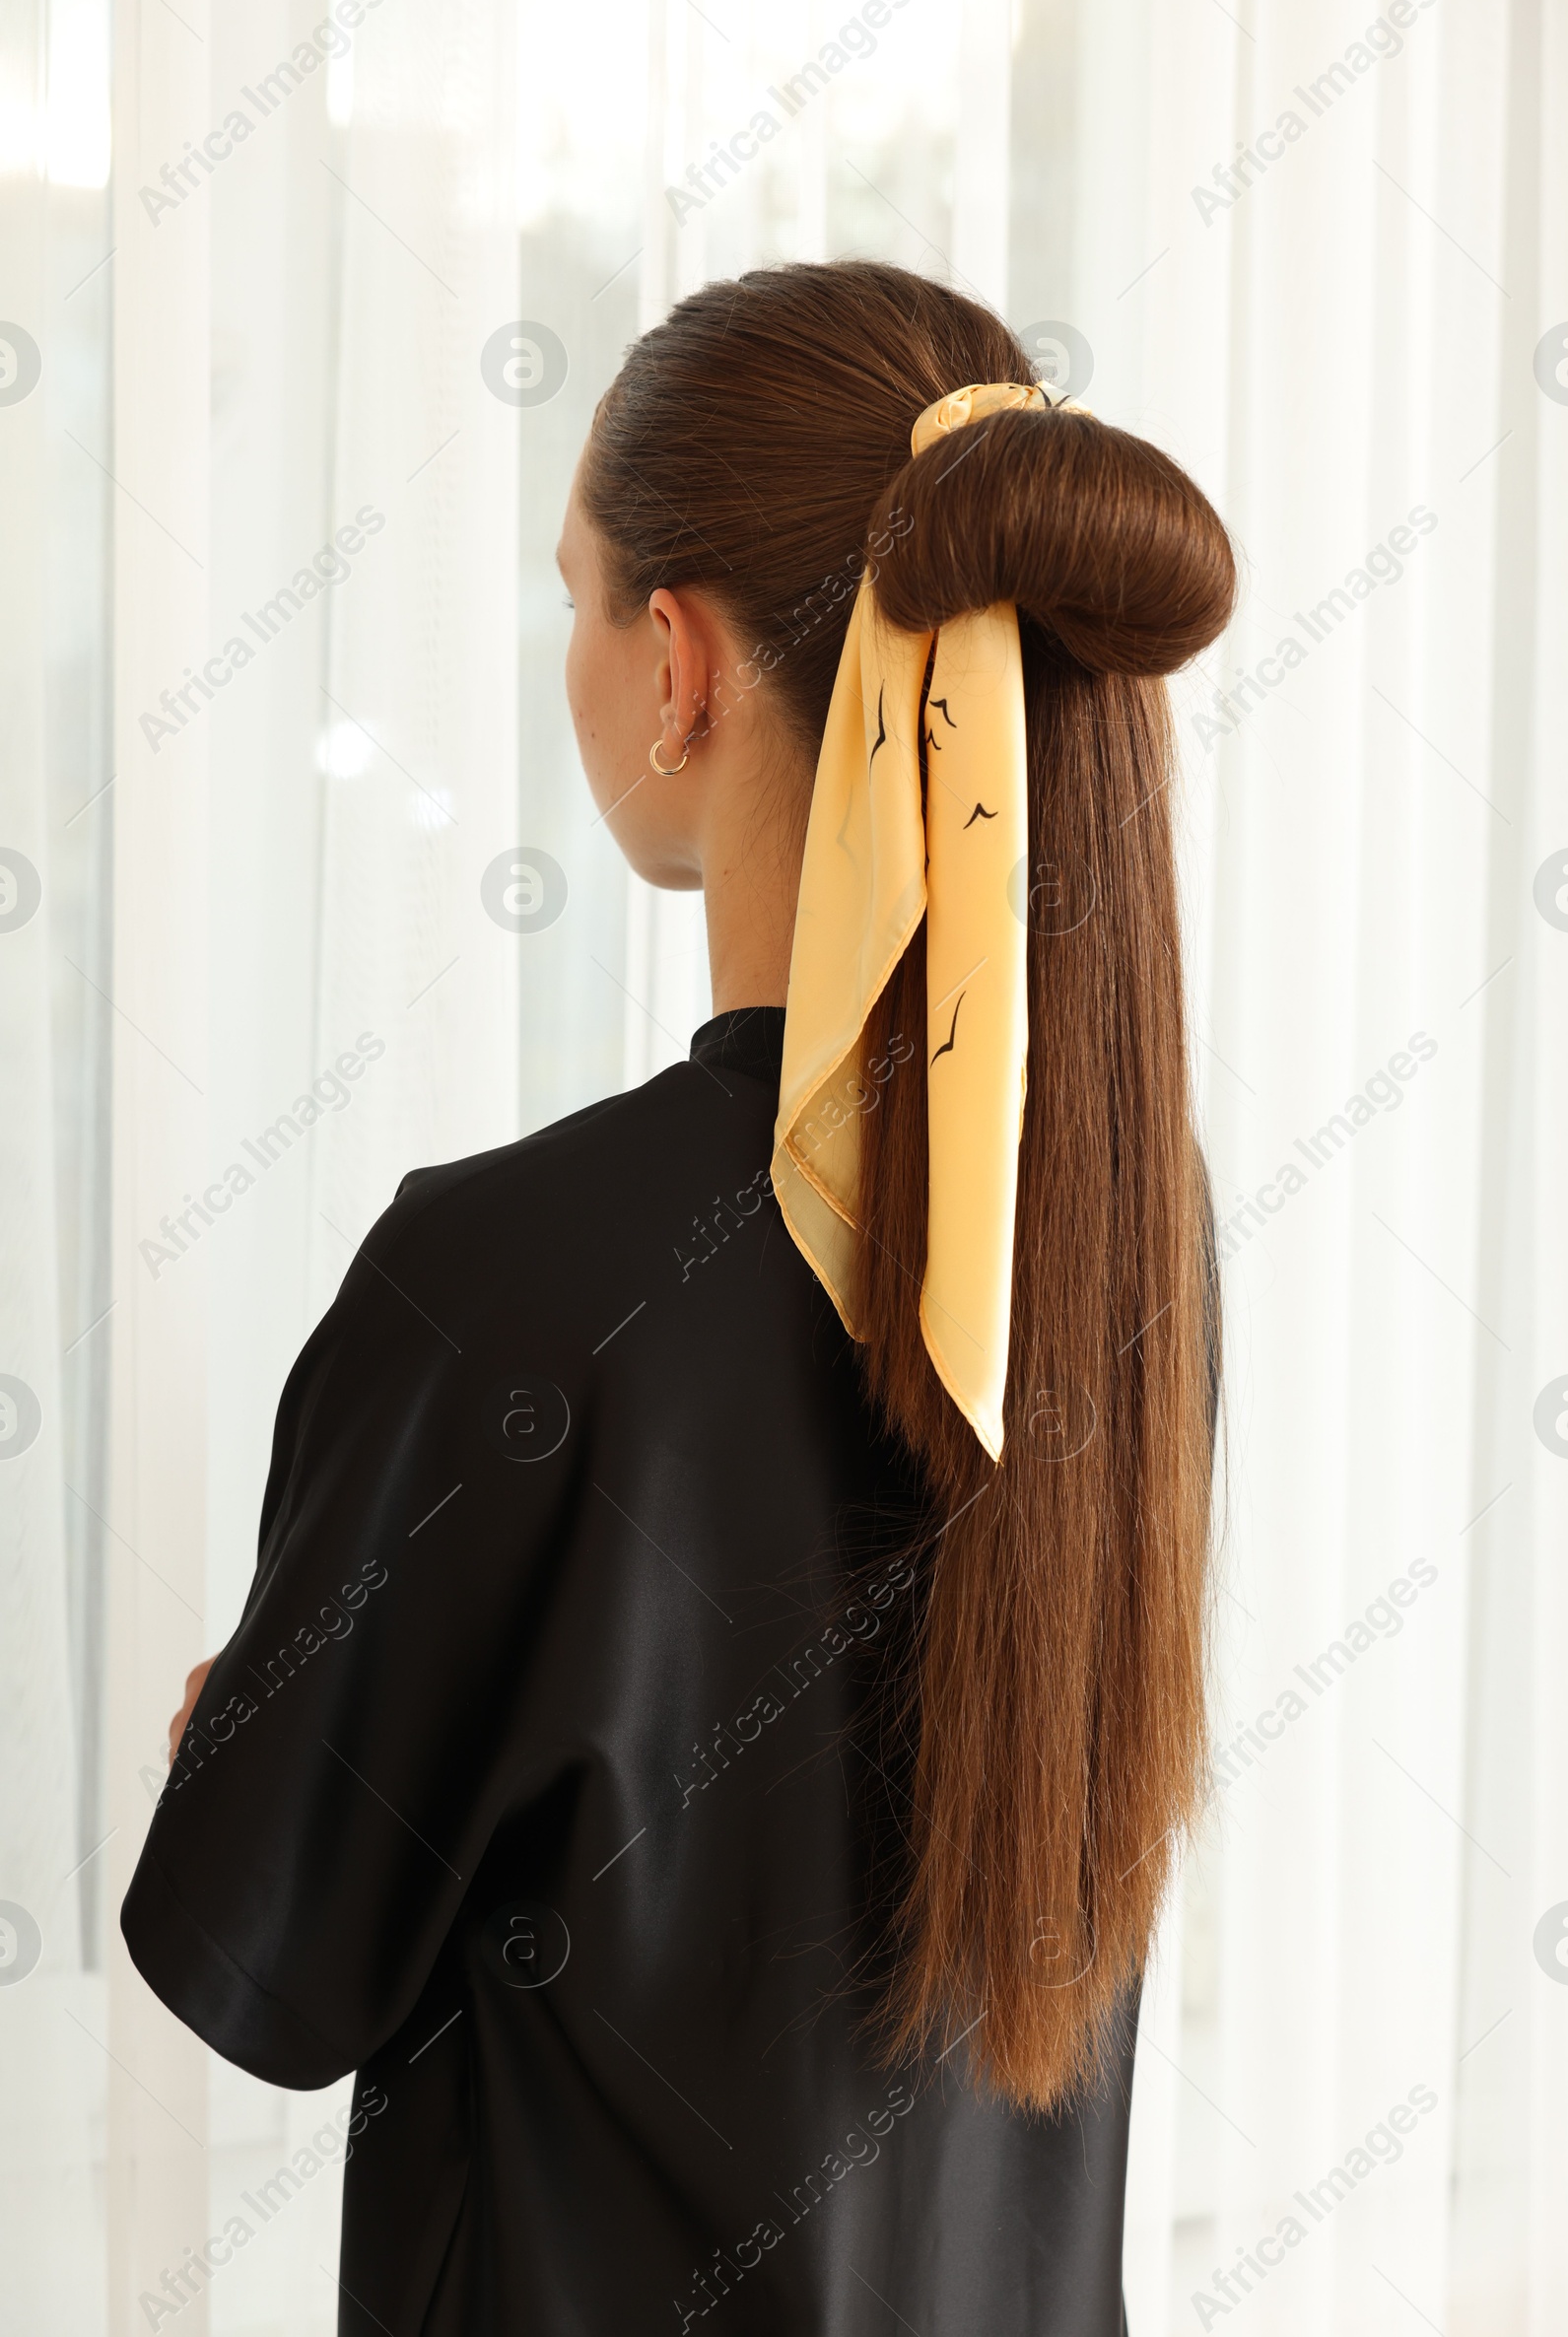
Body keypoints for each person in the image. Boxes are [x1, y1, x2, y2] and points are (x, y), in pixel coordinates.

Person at [126, 260, 1234, 2335]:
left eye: (576, 596)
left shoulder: (500, 1273)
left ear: (674, 662)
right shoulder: (1118, 1231)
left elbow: (262, 1968)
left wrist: (268, 1728)